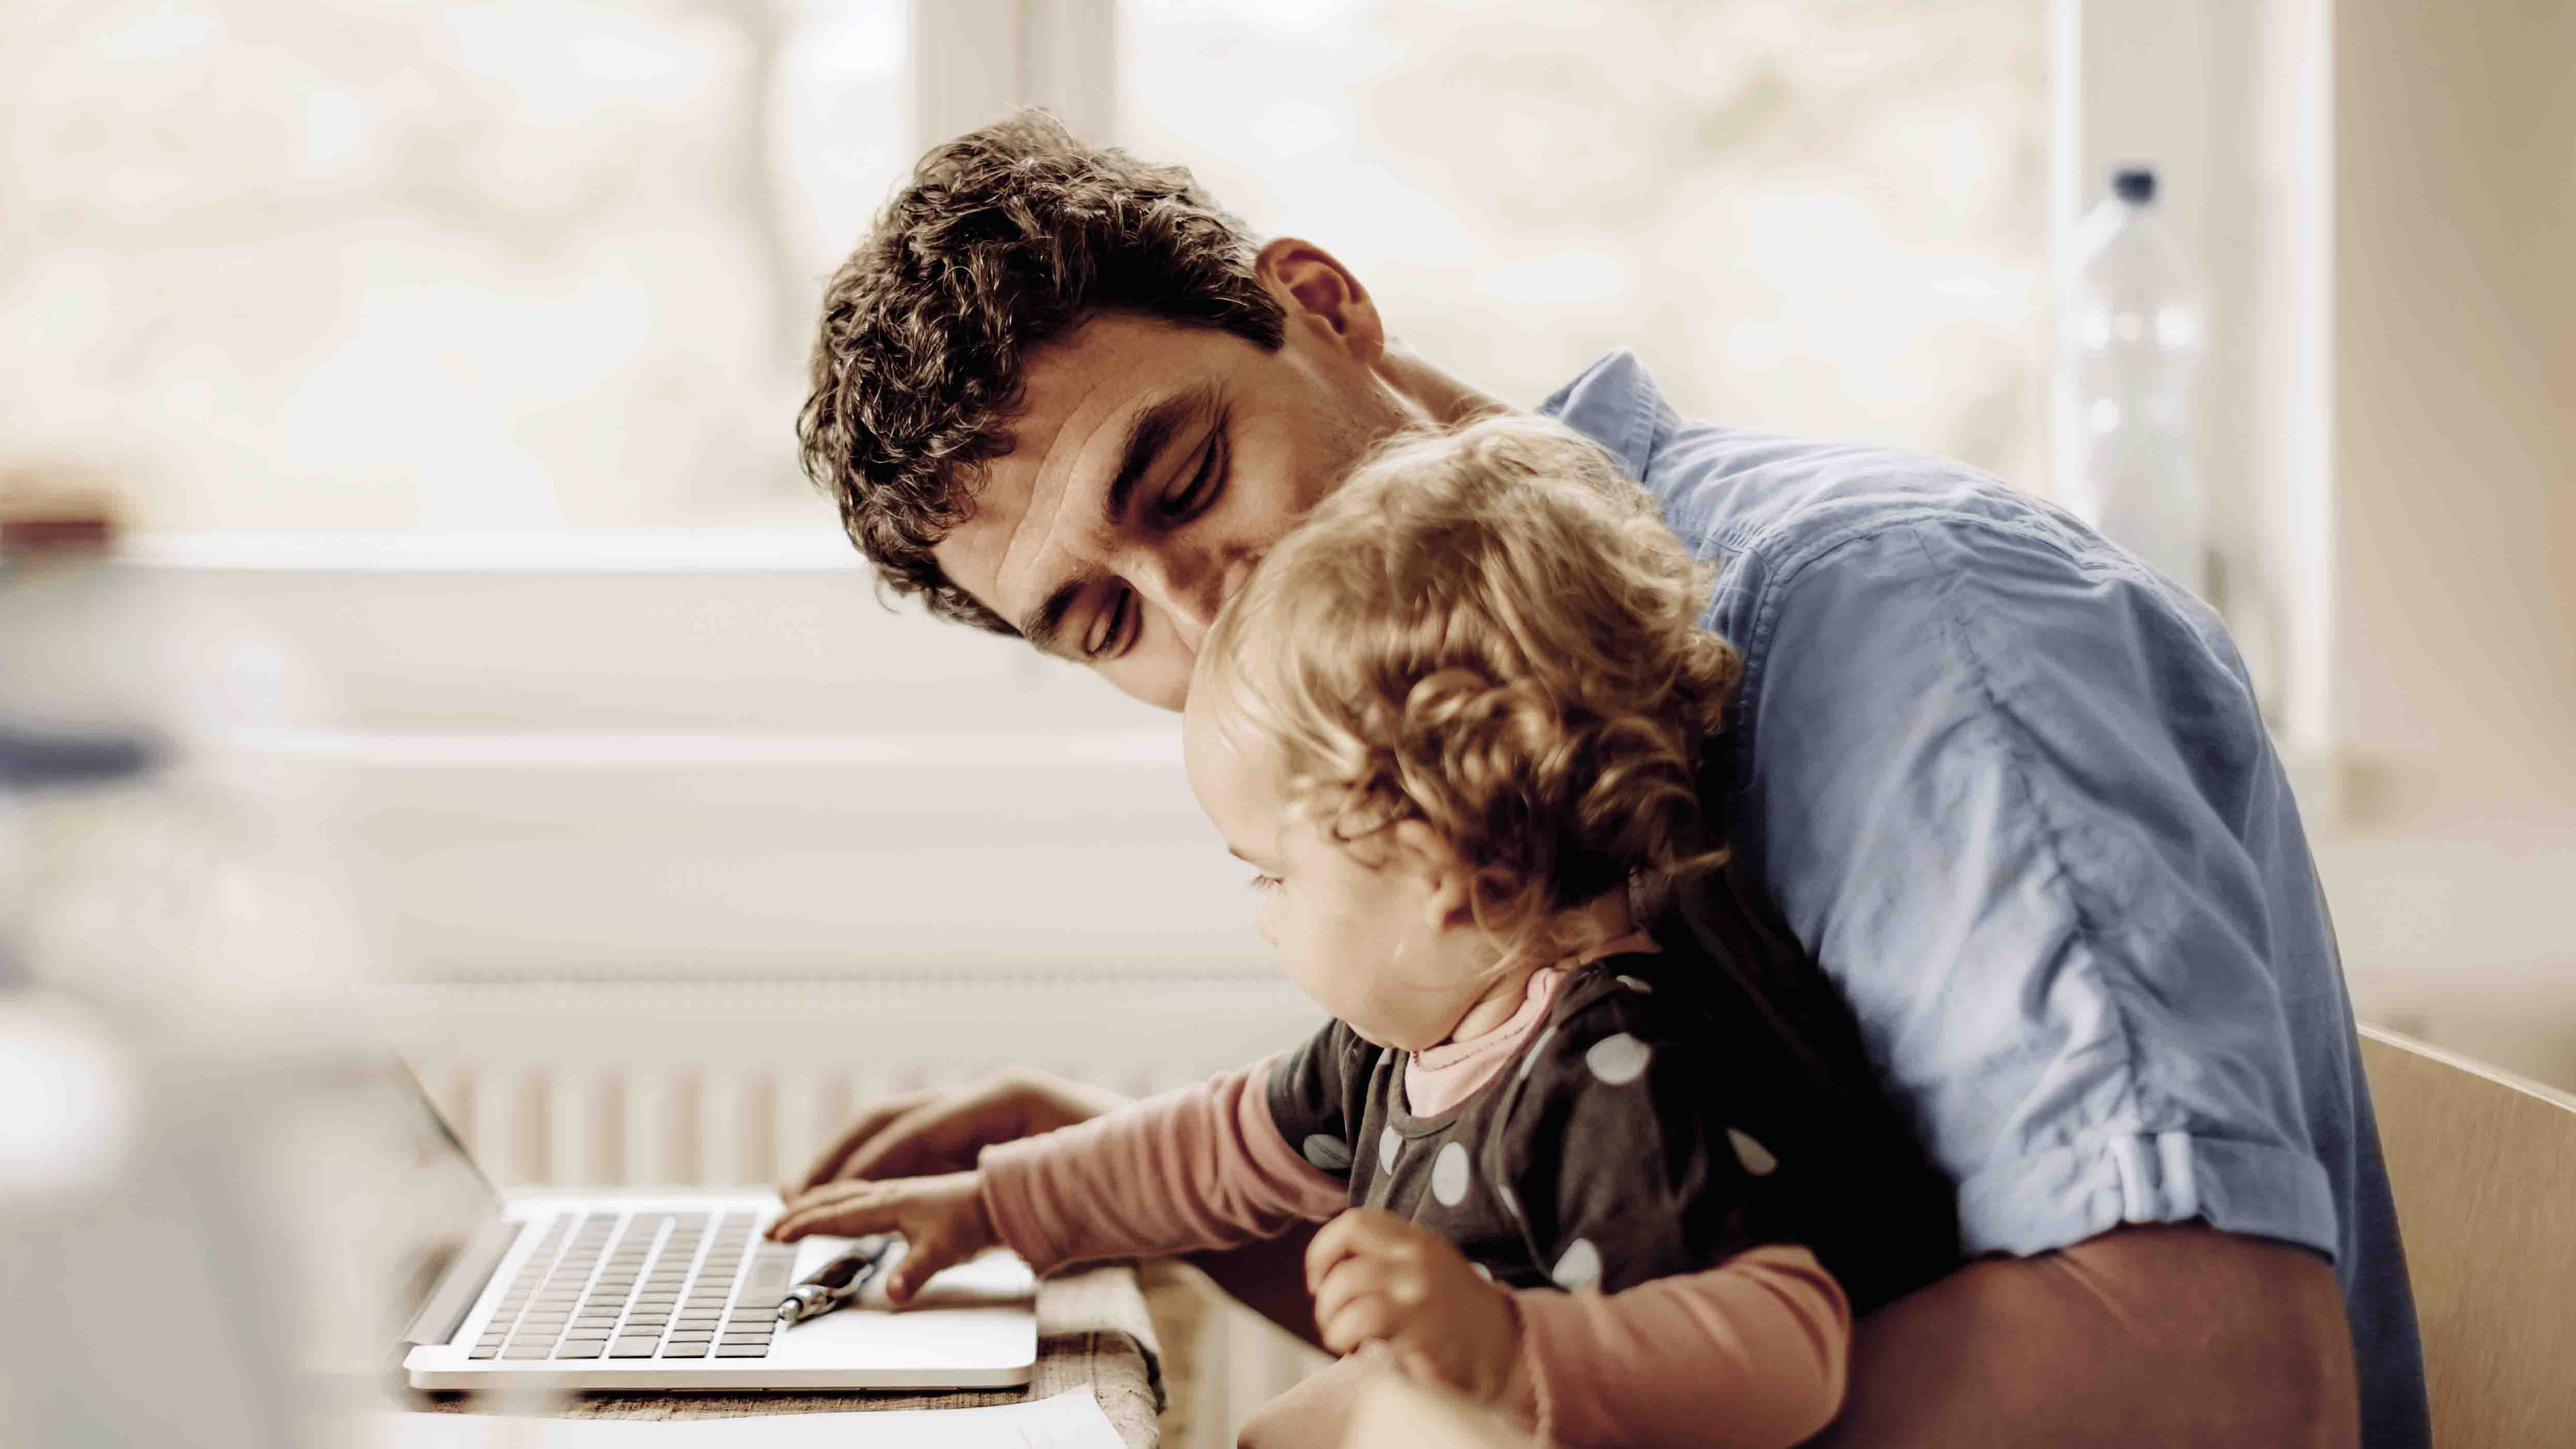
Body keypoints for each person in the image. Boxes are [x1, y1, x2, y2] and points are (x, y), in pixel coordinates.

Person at [787, 111, 2422, 1448]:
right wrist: (1099, 1184)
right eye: (1098, 620)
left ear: (1322, 304)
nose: (1201, 611)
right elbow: (1588, 1267)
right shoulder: (1444, 757)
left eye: (1187, 475)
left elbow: (2219, 1377)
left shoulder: (1901, 624)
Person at [768, 416, 1961, 1447]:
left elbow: (1791, 1346)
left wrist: (1503, 1346)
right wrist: (991, 1205)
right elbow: (1211, 1148)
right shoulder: (1396, 1050)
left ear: (1446, 863)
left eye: (1274, 874)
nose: (1266, 918)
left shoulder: (1615, 1075)